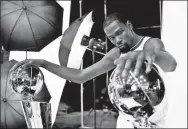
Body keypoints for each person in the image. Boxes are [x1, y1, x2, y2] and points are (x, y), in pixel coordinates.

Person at [10, 13, 177, 128]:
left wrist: (147, 54)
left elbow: (171, 64)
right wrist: (43, 63)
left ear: (129, 25)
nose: (117, 40)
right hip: (125, 123)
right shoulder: (116, 53)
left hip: (153, 123)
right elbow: (80, 76)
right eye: (112, 37)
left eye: (120, 33)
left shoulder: (150, 44)